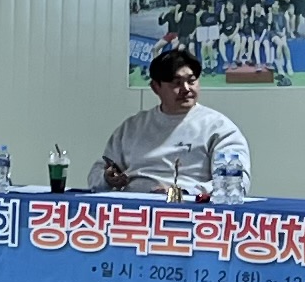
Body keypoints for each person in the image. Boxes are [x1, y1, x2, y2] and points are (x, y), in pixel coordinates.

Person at [98, 46, 252, 192]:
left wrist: (182, 193)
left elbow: (233, 183)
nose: (186, 89)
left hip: (190, 205)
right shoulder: (133, 127)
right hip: (135, 205)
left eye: (191, 81)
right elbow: (98, 172)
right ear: (155, 87)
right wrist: (107, 179)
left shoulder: (218, 128)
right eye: (176, 83)